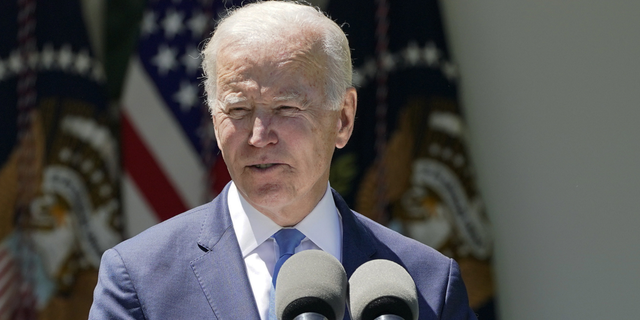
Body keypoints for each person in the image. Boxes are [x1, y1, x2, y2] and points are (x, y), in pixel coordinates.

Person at [89, 1, 477, 319]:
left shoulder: (426, 284)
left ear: (343, 118)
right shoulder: (138, 278)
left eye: (287, 107)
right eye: (238, 110)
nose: (259, 137)